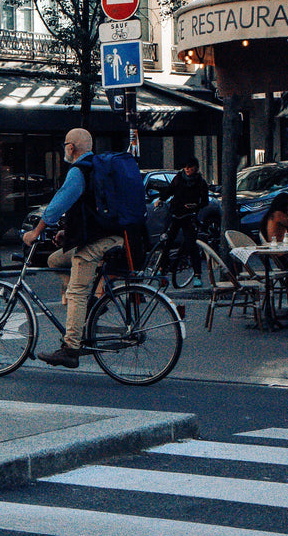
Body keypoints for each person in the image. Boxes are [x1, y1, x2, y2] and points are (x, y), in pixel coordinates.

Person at [19, 128, 129, 369]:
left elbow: (59, 203)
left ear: (71, 147)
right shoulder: (100, 168)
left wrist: (35, 232)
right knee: (56, 259)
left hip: (98, 242)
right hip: (117, 237)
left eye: (65, 144)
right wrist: (66, 233)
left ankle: (70, 348)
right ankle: (87, 306)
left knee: (77, 291)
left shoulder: (79, 171)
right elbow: (93, 210)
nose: (64, 149)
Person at [152, 157, 209, 287]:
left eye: (190, 167)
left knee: (191, 245)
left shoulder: (200, 182)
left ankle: (197, 275)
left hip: (189, 215)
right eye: (186, 167)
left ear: (196, 168)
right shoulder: (179, 178)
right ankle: (161, 269)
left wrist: (195, 206)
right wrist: (160, 199)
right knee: (168, 241)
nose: (187, 169)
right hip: (176, 213)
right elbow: (170, 190)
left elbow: (205, 201)